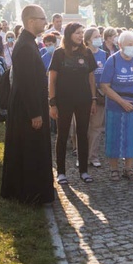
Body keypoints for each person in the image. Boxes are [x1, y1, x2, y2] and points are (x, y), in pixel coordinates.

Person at [0, 5, 55, 205]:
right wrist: (35, 113)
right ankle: (28, 192)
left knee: (31, 150)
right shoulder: (24, 46)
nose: (45, 22)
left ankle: (34, 190)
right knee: (28, 151)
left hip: (31, 106)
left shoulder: (29, 42)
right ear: (31, 21)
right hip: (26, 110)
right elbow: (25, 83)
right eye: (43, 18)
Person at [49, 22, 98, 185]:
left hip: (83, 99)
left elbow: (91, 78)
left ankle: (83, 171)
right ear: (69, 34)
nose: (80, 35)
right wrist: (52, 103)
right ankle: (61, 172)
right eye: (77, 32)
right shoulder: (59, 54)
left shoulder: (87, 53)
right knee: (62, 135)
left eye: (82, 33)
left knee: (83, 134)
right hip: (64, 101)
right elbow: (52, 80)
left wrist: (93, 99)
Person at [100, 31, 133, 181]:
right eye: (129, 44)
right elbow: (104, 86)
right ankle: (114, 168)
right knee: (114, 136)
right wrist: (121, 101)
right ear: (120, 45)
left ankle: (128, 168)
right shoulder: (112, 60)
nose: (132, 47)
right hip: (116, 104)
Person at [85, 27, 107, 168]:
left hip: (100, 94)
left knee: (96, 127)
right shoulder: (82, 54)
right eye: (95, 36)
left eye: (100, 36)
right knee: (82, 126)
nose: (99, 38)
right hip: (83, 93)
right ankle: (82, 154)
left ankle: (93, 156)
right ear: (88, 40)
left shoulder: (104, 54)